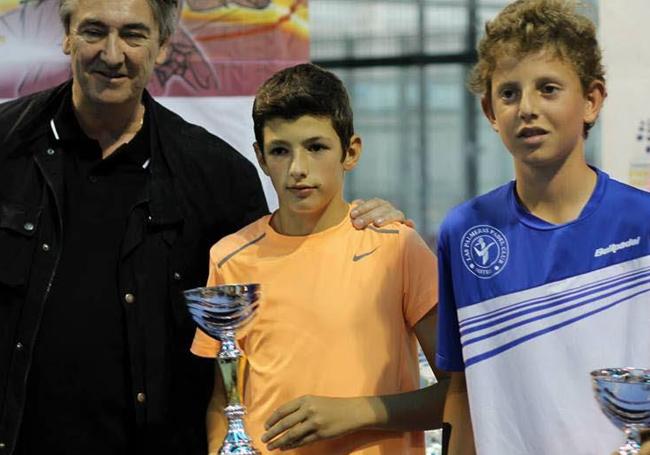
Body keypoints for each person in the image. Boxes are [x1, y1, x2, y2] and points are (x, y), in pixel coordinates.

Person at [0, 1, 402, 454]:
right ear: (67, 35)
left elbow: (273, 305)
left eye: (133, 34)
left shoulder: (219, 177)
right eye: (94, 31)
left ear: (164, 45)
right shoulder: (7, 147)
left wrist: (358, 224)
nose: (112, 54)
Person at [191, 63, 449, 454]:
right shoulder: (230, 258)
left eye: (316, 147)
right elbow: (224, 401)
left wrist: (357, 412)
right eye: (280, 151)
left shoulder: (397, 247)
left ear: (351, 152)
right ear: (260, 157)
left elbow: (459, 393)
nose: (297, 169)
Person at [435, 1, 650, 454]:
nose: (526, 108)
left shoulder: (643, 223)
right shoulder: (465, 233)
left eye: (548, 88)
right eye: (509, 93)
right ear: (490, 111)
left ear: (591, 100)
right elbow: (460, 390)